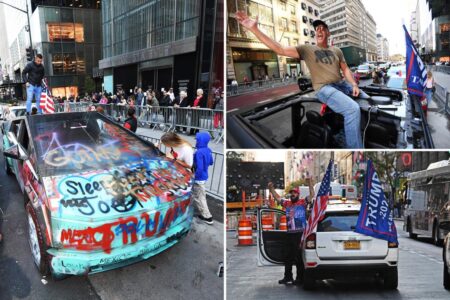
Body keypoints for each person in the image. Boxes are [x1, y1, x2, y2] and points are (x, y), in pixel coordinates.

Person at [236, 12, 368, 148]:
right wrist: (254, 29)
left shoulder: (337, 50)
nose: (319, 31)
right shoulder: (307, 49)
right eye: (317, 29)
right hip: (325, 88)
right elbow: (280, 49)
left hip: (342, 85)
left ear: (328, 33)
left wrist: (353, 84)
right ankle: (356, 152)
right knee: (352, 109)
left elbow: (345, 69)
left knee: (369, 102)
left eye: (323, 28)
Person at [267, 178, 314, 285]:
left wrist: (310, 184)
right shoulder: (287, 204)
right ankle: (288, 277)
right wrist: (271, 189)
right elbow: (278, 198)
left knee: (298, 257)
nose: (292, 195)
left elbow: (312, 195)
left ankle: (299, 278)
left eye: (294, 193)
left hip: (299, 234)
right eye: (291, 193)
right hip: (289, 234)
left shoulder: (303, 202)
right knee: (287, 257)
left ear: (298, 194)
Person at [192, 132, 214, 225]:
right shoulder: (208, 150)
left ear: (201, 140)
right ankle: (205, 215)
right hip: (204, 176)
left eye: (197, 139)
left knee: (200, 198)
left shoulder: (199, 152)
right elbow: (211, 162)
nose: (196, 141)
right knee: (199, 196)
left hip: (199, 178)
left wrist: (195, 177)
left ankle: (207, 217)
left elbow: (199, 168)